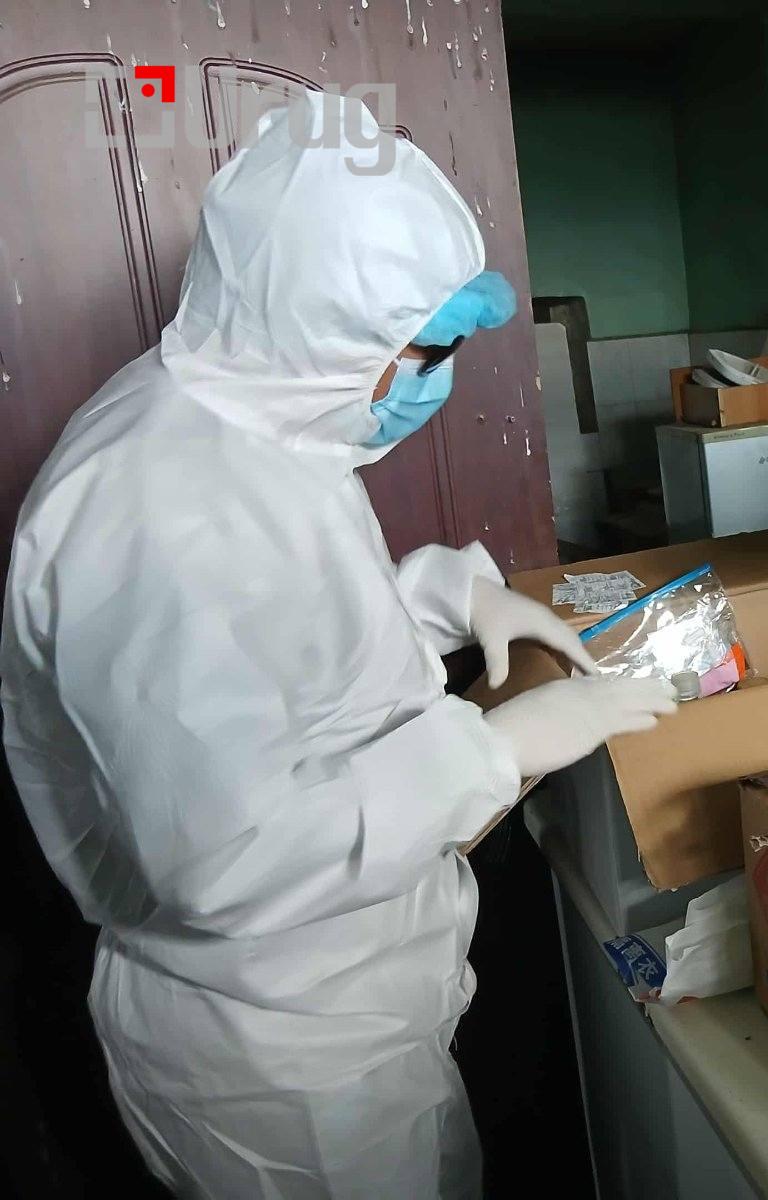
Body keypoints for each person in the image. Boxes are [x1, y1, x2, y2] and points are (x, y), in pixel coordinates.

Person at [0, 94, 673, 1199]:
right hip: (278, 1065)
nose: (438, 381)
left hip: (348, 1009)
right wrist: (495, 750)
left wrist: (453, 598)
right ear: (319, 325)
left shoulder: (254, 420)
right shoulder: (154, 506)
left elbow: (289, 649)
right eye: (426, 351)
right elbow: (230, 856)